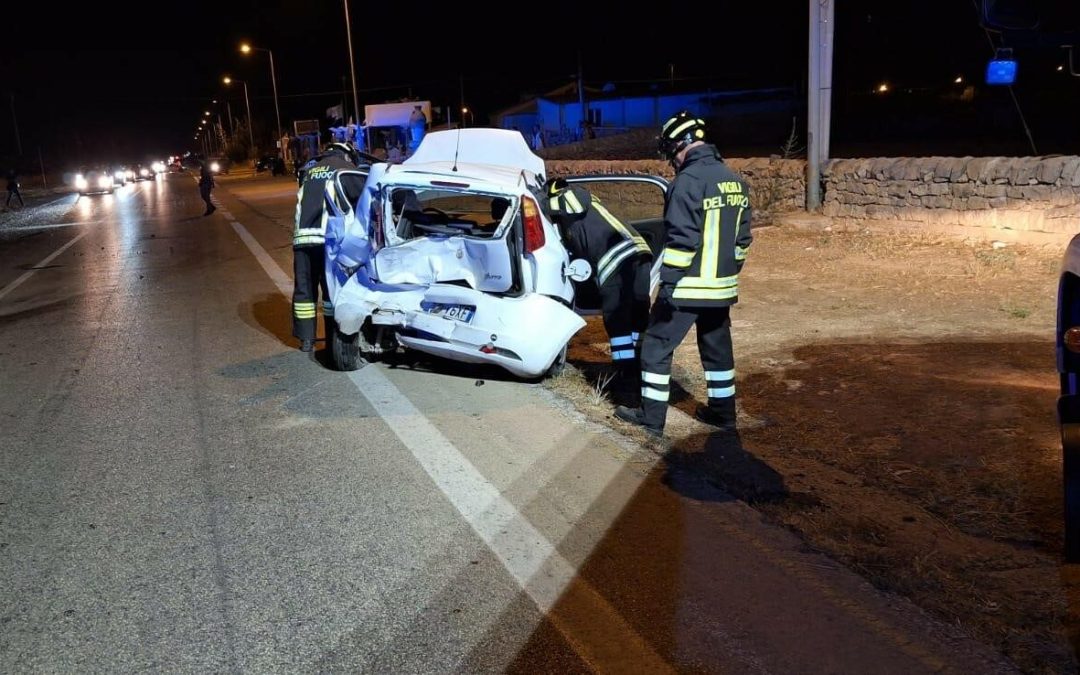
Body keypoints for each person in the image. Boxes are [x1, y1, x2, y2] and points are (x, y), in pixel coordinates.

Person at [615, 111, 752, 436]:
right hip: (721, 289)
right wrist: (726, 274)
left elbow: (681, 242)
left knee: (655, 349)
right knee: (717, 352)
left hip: (686, 288)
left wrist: (668, 285)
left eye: (670, 152)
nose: (671, 161)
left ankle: (651, 421)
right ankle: (723, 415)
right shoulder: (735, 180)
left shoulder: (686, 183)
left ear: (680, 145)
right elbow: (743, 240)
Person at [546, 178, 652, 405]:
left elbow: (568, 207)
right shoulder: (593, 204)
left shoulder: (570, 197)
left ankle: (627, 383)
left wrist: (540, 199)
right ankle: (644, 372)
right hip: (639, 252)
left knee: (618, 322)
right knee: (638, 317)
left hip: (616, 258)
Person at [292, 142, 361, 352]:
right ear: (347, 155)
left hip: (302, 238)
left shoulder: (308, 170)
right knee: (331, 289)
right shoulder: (344, 169)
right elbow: (362, 197)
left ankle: (306, 340)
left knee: (304, 288)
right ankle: (332, 336)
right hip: (328, 239)